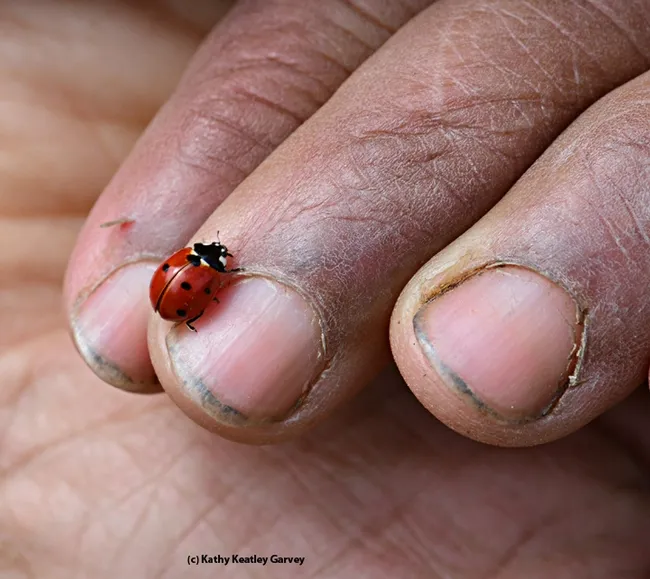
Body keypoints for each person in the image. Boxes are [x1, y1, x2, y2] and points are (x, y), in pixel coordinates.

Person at [4, 1, 650, 576]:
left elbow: (203, 280)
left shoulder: (196, 272)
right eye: (213, 260)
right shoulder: (196, 270)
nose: (217, 259)